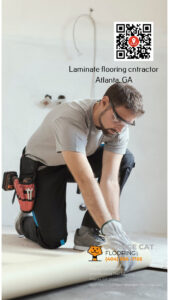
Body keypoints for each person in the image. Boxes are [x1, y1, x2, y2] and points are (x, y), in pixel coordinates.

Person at [15, 83, 144, 273]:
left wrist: (115, 229)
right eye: (117, 118)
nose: (119, 128)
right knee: (52, 239)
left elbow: (110, 180)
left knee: (126, 159)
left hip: (79, 156)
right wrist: (110, 227)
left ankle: (88, 231)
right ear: (104, 102)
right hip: (45, 165)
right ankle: (24, 222)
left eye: (127, 122)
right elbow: (85, 179)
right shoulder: (71, 118)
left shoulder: (119, 128)